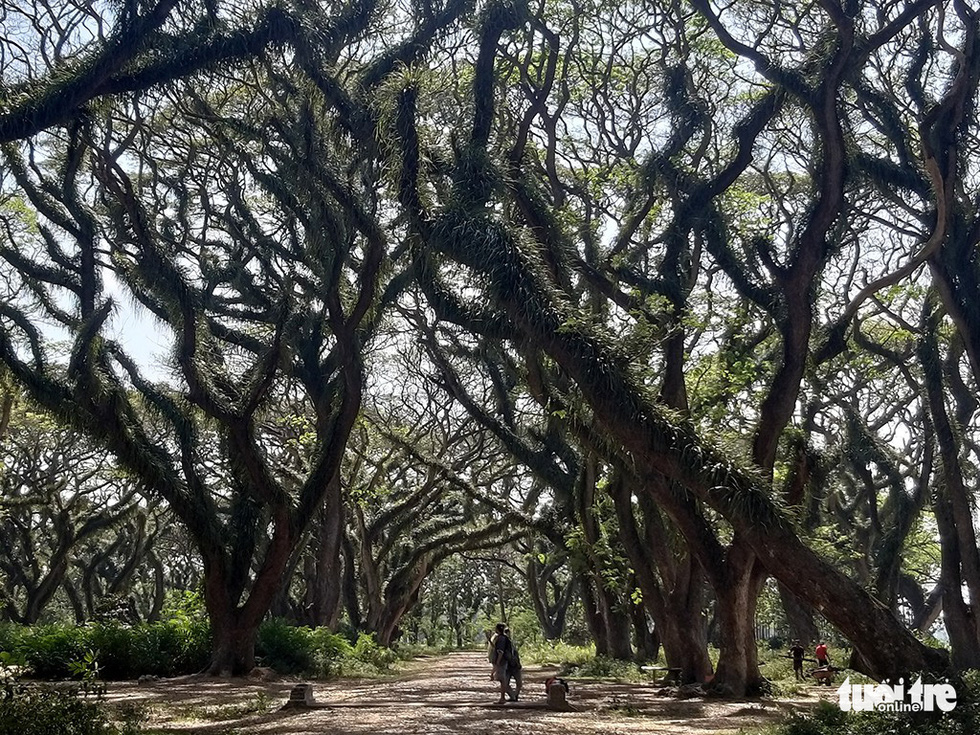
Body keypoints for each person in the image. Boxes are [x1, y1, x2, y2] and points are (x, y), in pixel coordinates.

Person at [491, 622, 519, 703]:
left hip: (502, 662)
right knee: (502, 680)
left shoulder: (501, 639)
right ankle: (504, 697)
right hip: (504, 662)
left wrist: (498, 661)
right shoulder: (504, 638)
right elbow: (496, 648)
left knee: (502, 680)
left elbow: (500, 651)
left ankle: (502, 698)